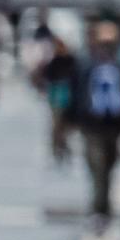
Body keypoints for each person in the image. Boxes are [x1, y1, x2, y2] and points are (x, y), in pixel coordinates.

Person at [77, 17, 120, 226]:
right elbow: (78, 91)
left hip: (114, 124)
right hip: (92, 124)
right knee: (98, 166)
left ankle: (103, 207)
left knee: (109, 165)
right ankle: (99, 208)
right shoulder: (87, 64)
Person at [36, 29, 81, 164]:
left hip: (68, 98)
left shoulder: (71, 61)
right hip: (56, 98)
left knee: (65, 128)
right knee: (57, 126)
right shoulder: (54, 61)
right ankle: (57, 150)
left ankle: (63, 148)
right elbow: (46, 77)